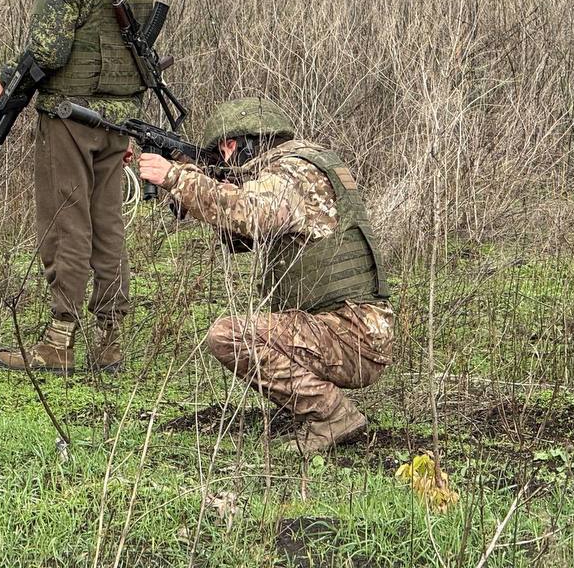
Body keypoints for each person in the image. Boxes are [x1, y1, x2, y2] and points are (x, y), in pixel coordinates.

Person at [138, 97, 394, 454]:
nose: (224, 164)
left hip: (351, 333)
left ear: (234, 144)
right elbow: (242, 237)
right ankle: (319, 412)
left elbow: (249, 212)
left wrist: (174, 176)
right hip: (347, 328)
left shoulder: (291, 173)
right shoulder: (308, 164)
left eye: (222, 155)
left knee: (229, 336)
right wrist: (193, 184)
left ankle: (331, 414)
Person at [0, 0, 153, 375]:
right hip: (118, 119)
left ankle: (58, 339)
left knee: (66, 222)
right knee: (109, 222)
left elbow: (48, 53)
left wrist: (4, 81)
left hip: (69, 116)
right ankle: (111, 340)